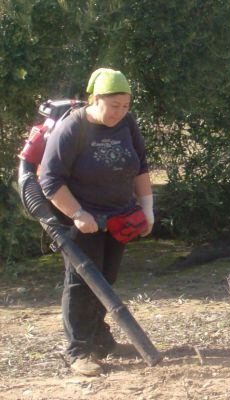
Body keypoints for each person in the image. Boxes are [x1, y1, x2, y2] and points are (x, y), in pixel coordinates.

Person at [39, 68, 153, 376]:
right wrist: (78, 213)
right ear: (95, 99)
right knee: (80, 285)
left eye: (126, 106)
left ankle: (99, 339)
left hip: (120, 217)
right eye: (114, 106)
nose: (120, 112)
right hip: (82, 222)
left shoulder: (127, 123)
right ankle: (79, 352)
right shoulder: (71, 128)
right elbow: (49, 180)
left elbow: (141, 166)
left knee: (107, 280)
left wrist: (147, 207)